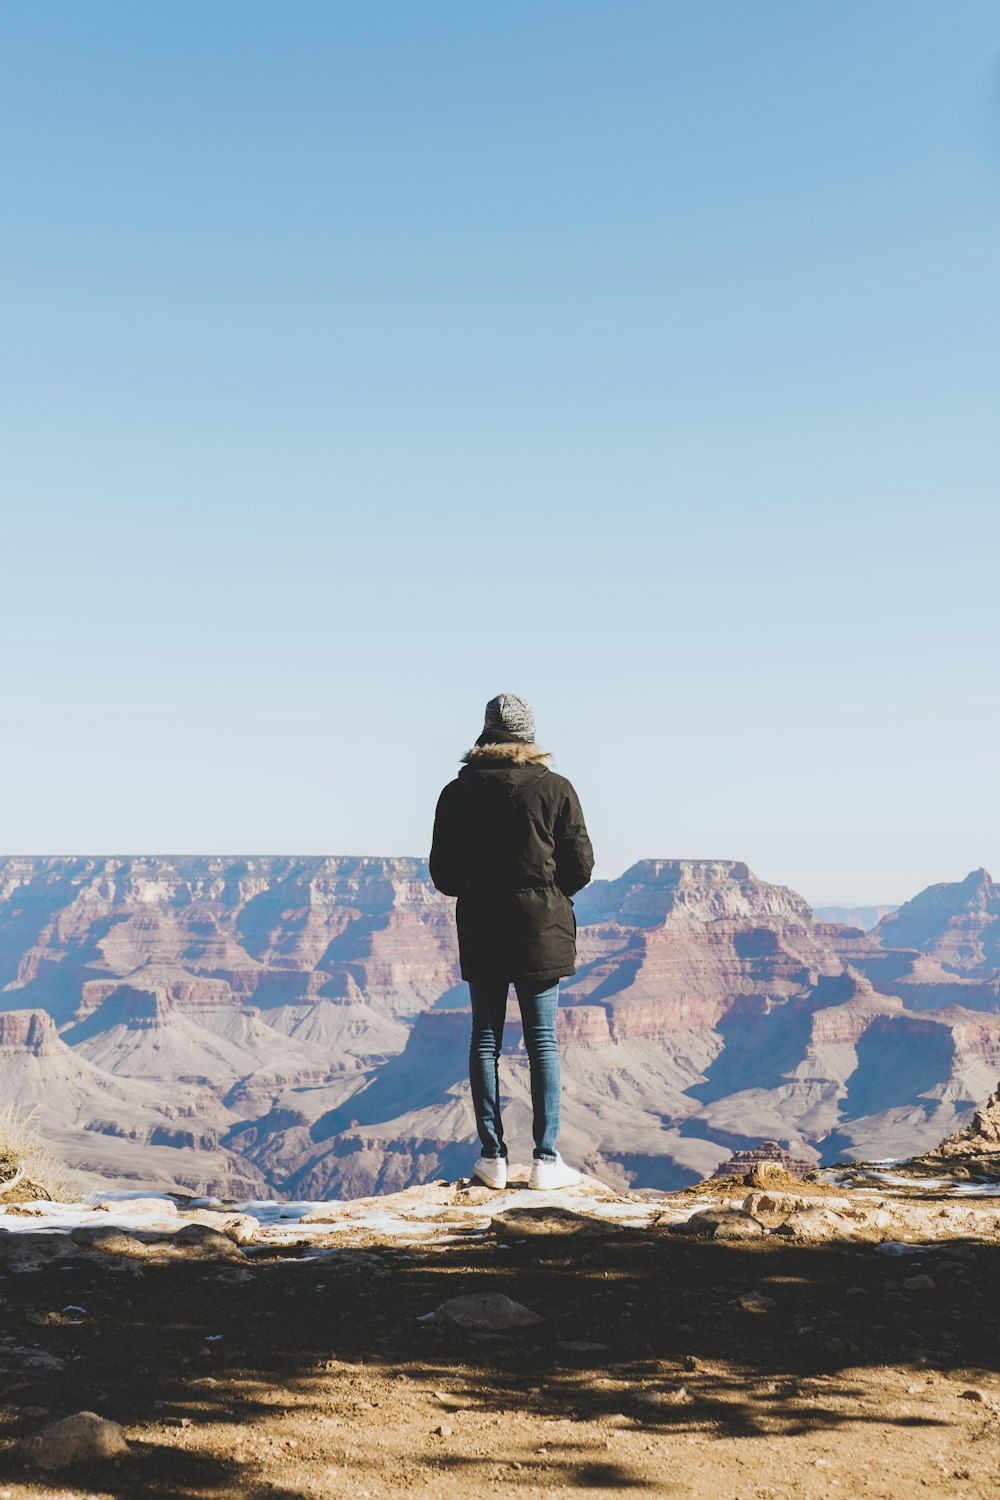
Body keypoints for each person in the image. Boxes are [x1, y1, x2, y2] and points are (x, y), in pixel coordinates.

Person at [429, 693, 594, 1190]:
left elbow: (444, 873)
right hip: (541, 926)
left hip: (481, 923)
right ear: (528, 735)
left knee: (485, 1039)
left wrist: (479, 887)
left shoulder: (457, 793)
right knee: (542, 1041)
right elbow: (581, 865)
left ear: (486, 734)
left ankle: (493, 1158)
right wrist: (545, 893)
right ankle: (546, 1160)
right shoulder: (555, 788)